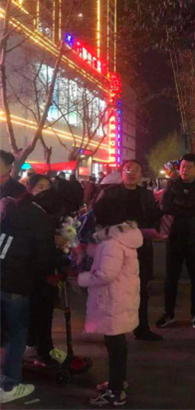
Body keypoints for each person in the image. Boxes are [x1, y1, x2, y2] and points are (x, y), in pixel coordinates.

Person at [78, 196, 142, 406]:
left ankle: (115, 392)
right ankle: (119, 382)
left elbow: (106, 274)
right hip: (121, 297)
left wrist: (82, 278)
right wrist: (85, 250)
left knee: (114, 346)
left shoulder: (112, 243)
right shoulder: (122, 236)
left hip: (113, 300)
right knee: (117, 345)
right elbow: (105, 254)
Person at [0, 190, 58, 403]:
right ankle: (9, 385)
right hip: (16, 285)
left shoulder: (10, 215)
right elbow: (43, 260)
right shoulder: (40, 222)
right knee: (17, 335)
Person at [94, 160, 163, 342]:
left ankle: (142, 328)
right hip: (116, 248)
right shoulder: (109, 193)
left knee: (141, 289)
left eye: (136, 170)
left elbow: (155, 218)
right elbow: (97, 217)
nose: (132, 173)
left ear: (141, 175)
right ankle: (113, 329)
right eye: (128, 169)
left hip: (140, 248)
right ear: (121, 172)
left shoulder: (147, 195)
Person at [156, 154, 195, 330]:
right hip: (175, 237)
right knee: (171, 278)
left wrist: (178, 205)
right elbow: (165, 207)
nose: (184, 170)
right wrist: (186, 205)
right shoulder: (172, 185)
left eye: (189, 167)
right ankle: (168, 314)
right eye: (182, 167)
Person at [24, 176, 68, 368]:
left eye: (48, 187)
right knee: (40, 311)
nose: (45, 191)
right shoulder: (31, 214)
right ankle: (42, 352)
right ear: (30, 189)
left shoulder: (43, 213)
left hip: (42, 271)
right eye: (40, 187)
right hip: (34, 272)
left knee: (42, 312)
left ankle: (40, 348)